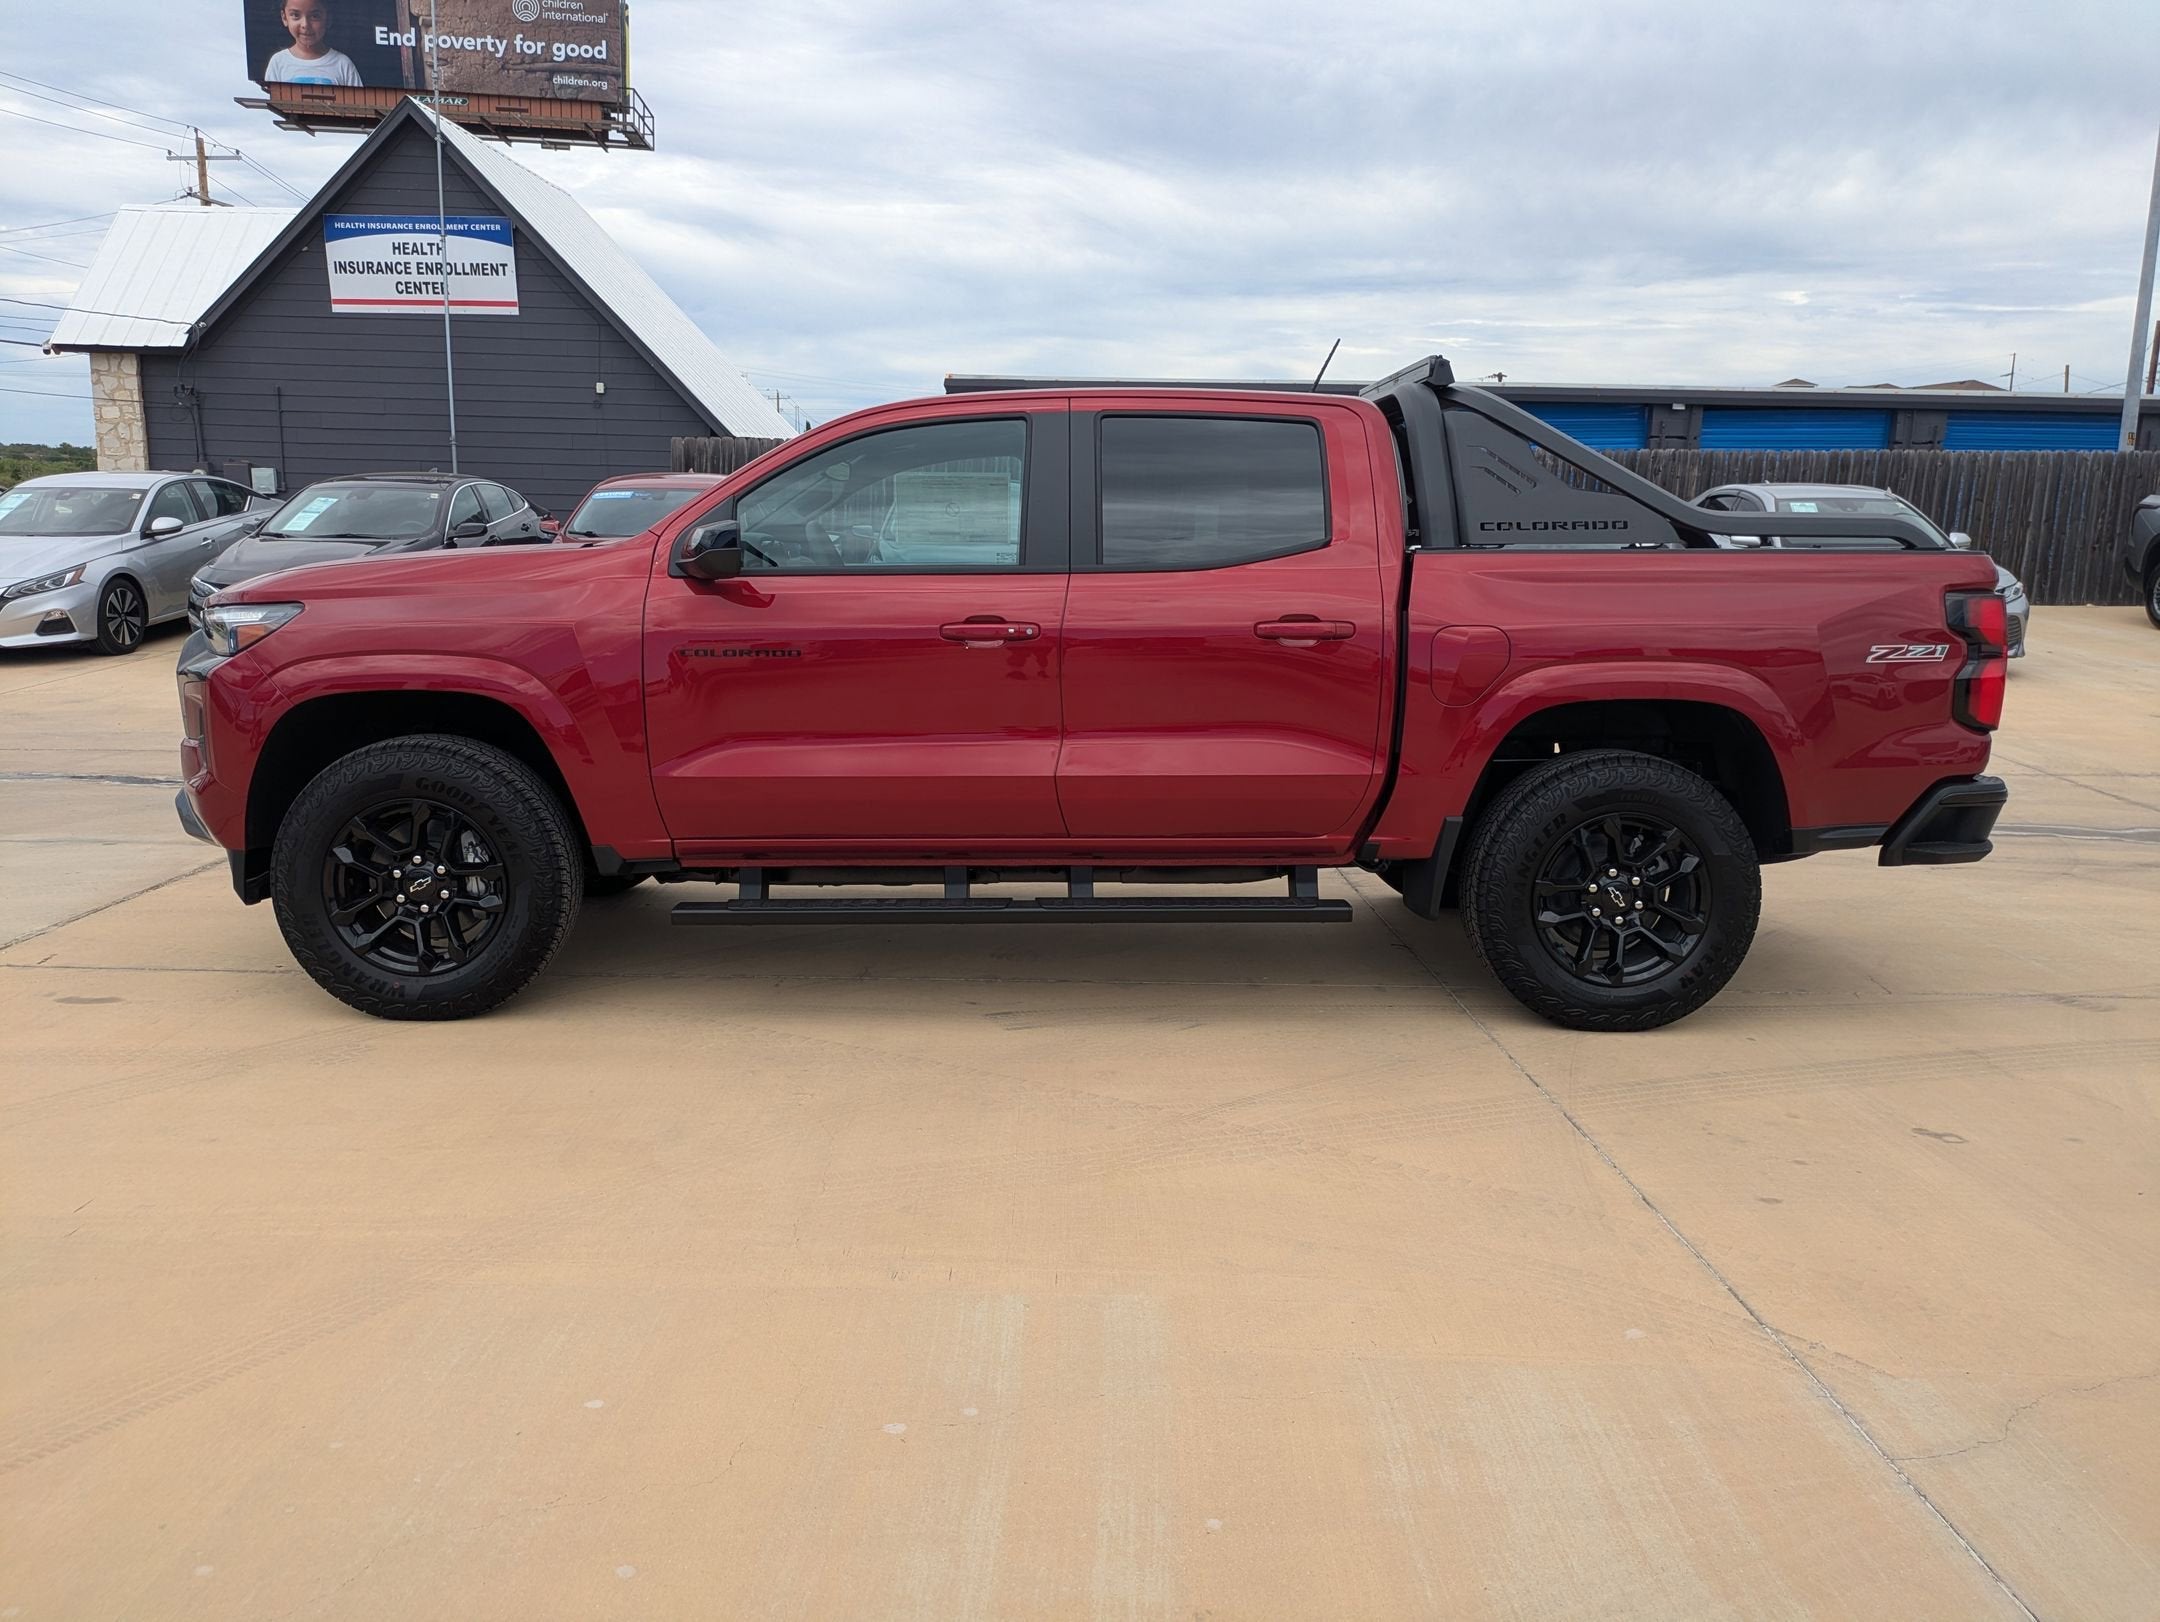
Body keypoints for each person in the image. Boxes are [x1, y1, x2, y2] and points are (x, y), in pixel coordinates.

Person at [263, 0, 363, 87]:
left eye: (314, 16)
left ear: (328, 19)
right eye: (296, 15)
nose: (305, 25)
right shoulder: (278, 62)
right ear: (284, 17)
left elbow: (359, 105)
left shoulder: (343, 64)